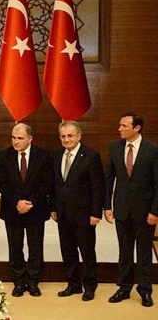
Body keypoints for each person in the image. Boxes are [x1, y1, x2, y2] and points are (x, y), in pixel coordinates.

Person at [104, 112, 158, 308]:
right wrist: (107, 206)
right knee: (124, 252)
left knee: (144, 253)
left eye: (124, 126)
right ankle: (124, 288)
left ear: (137, 128)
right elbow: (109, 179)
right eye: (120, 125)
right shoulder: (115, 148)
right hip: (122, 210)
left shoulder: (152, 150)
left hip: (145, 212)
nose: (119, 129)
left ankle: (145, 291)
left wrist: (155, 211)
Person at [49, 121, 104, 302]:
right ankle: (73, 285)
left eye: (70, 136)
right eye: (63, 136)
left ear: (79, 136)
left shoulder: (91, 156)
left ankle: (90, 287)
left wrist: (96, 213)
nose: (66, 139)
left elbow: (98, 188)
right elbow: (54, 185)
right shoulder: (56, 155)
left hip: (84, 215)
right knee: (68, 251)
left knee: (87, 253)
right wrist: (53, 207)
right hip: (62, 213)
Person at [0, 123, 52, 297]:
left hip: (36, 209)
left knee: (35, 247)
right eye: (13, 137)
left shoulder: (43, 155)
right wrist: (17, 202)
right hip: (12, 210)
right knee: (15, 247)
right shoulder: (4, 155)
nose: (16, 141)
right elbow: (1, 184)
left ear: (30, 139)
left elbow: (46, 183)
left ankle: (33, 281)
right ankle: (19, 281)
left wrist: (30, 202)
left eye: (20, 138)